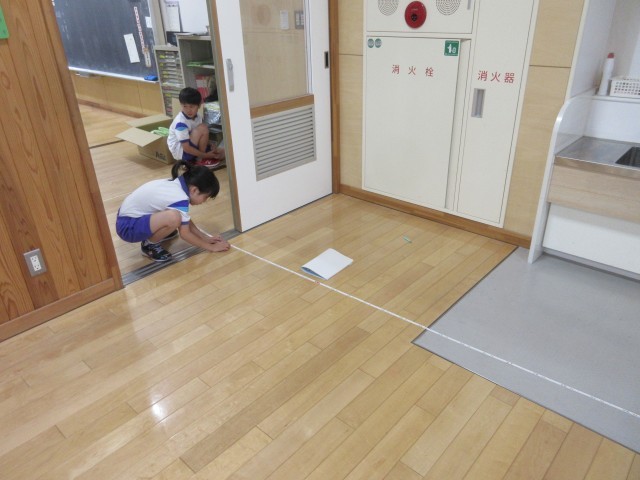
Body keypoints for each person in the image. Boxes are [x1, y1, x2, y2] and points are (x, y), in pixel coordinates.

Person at [116, 160, 230, 262]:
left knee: (177, 217)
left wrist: (204, 237)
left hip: (127, 219)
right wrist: (211, 247)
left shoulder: (176, 184)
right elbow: (185, 234)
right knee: (174, 218)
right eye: (205, 197)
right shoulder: (180, 197)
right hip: (128, 228)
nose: (204, 201)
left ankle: (159, 232)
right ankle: (149, 245)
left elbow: (185, 220)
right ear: (194, 190)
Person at [167, 87, 225, 168]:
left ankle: (196, 159)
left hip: (190, 145)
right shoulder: (181, 123)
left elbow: (200, 137)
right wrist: (205, 155)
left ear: (199, 106)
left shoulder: (197, 116)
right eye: (185, 106)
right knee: (203, 128)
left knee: (220, 153)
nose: (188, 110)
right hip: (181, 152)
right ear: (181, 105)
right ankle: (200, 160)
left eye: (191, 107)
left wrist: (210, 144)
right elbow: (186, 148)